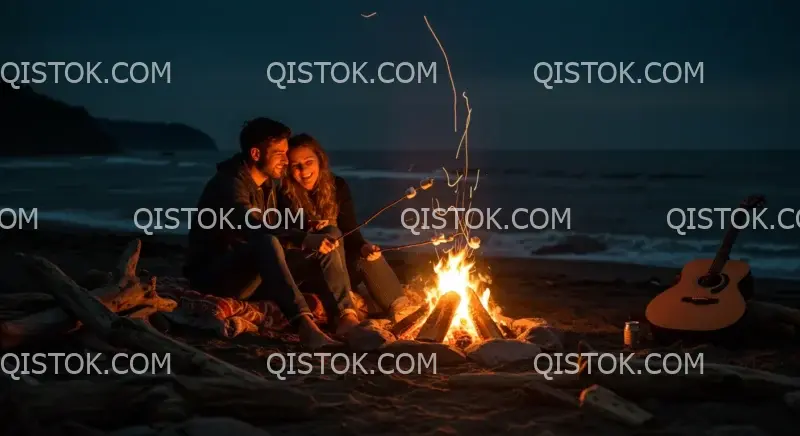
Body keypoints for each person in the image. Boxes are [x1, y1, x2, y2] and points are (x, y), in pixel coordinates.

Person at [182, 118, 361, 349]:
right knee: (265, 241)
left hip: (256, 272)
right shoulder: (228, 184)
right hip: (218, 277)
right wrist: (302, 238)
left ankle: (346, 317)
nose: (287, 160)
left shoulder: (268, 186)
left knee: (330, 233)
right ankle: (304, 326)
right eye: (280, 153)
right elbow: (252, 225)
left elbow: (277, 229)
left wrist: (307, 231)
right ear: (256, 154)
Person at [279, 133, 411, 321]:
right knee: (331, 233)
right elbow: (282, 236)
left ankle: (402, 311)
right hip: (307, 269)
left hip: (340, 265)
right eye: (295, 166)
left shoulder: (336, 186)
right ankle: (346, 313)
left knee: (366, 256)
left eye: (309, 162)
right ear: (287, 169)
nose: (304, 169)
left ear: (319, 160)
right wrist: (310, 231)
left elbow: (350, 232)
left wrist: (363, 247)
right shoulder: (283, 192)